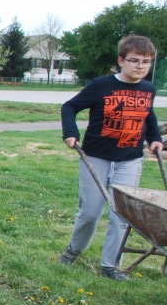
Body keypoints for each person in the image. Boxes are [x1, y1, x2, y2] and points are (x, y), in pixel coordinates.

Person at [60, 35, 163, 280]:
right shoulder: (101, 86)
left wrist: (155, 138)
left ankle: (111, 264)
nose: (140, 66)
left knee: (122, 214)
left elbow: (148, 116)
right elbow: (69, 107)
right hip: (95, 157)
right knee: (91, 212)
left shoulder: (148, 89)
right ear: (121, 60)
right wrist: (71, 134)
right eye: (134, 60)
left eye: (146, 62)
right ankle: (74, 249)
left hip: (130, 159)